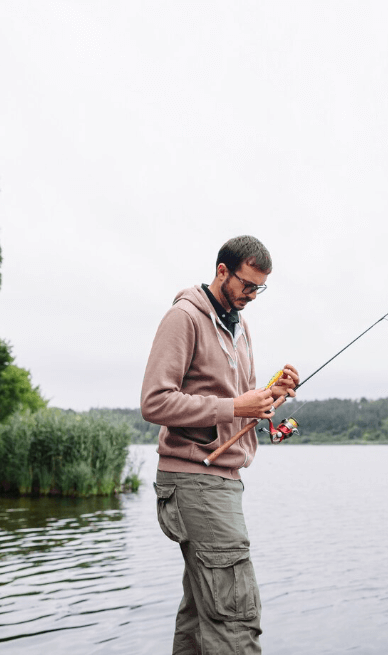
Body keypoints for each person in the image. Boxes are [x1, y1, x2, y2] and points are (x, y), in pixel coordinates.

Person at [141, 235, 299, 655]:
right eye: (247, 285)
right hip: (196, 480)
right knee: (235, 614)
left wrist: (270, 395)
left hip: (223, 481)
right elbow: (154, 402)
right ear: (222, 271)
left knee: (200, 613)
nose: (251, 296)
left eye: (259, 288)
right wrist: (234, 405)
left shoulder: (240, 326)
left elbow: (239, 401)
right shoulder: (184, 318)